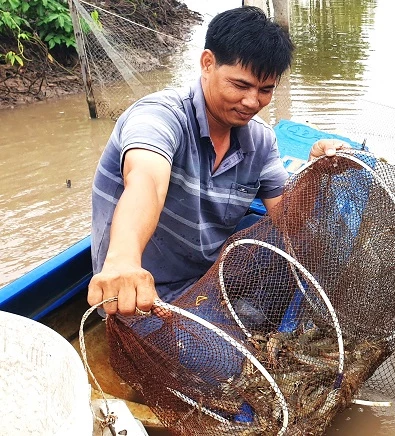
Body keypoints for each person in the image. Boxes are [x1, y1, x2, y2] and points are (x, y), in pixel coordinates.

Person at [88, 6, 345, 317]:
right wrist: (123, 261)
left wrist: (314, 174)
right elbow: (147, 181)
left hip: (211, 273)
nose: (252, 102)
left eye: (265, 90)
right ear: (207, 63)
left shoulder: (261, 140)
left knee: (298, 243)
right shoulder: (159, 115)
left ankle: (239, 316)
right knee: (218, 363)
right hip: (147, 292)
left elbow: (289, 222)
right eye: (240, 85)